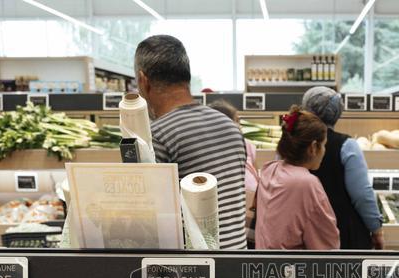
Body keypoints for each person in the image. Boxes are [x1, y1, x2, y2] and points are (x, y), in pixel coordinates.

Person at [135, 35, 248, 249]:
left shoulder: (157, 136)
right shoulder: (230, 127)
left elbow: (152, 223)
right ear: (186, 75)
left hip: (196, 272)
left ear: (143, 80)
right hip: (237, 259)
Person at [301, 86, 385, 250]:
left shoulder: (292, 143)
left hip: (304, 233)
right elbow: (362, 194)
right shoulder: (347, 145)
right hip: (344, 234)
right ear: (337, 113)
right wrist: (376, 230)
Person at [254, 107, 340, 250]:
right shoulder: (306, 183)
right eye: (324, 145)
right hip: (291, 269)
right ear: (313, 147)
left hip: (264, 266)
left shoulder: (269, 169)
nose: (324, 151)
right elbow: (327, 243)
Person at [208, 100, 260, 244]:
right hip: (233, 213)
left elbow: (255, 172)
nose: (240, 126)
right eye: (236, 121)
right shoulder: (213, 152)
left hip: (250, 208)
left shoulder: (247, 145)